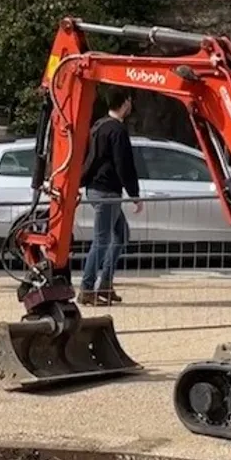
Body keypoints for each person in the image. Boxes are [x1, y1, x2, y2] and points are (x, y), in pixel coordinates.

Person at [78, 87, 143, 306]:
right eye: (130, 101)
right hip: (108, 190)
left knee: (120, 234)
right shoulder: (117, 130)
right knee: (103, 239)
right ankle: (87, 287)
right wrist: (134, 194)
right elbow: (123, 163)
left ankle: (105, 283)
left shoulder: (99, 125)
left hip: (96, 187)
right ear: (125, 102)